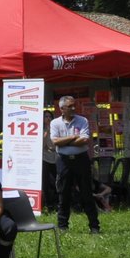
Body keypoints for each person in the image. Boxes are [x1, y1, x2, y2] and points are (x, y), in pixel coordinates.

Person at [49, 96, 102, 233]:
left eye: (74, 106)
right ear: (62, 109)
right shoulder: (55, 123)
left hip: (81, 160)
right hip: (63, 160)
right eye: (70, 106)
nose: (73, 108)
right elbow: (55, 141)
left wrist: (64, 141)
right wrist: (73, 137)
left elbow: (84, 140)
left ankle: (94, 226)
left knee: (86, 193)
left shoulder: (82, 120)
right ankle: (62, 226)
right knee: (63, 193)